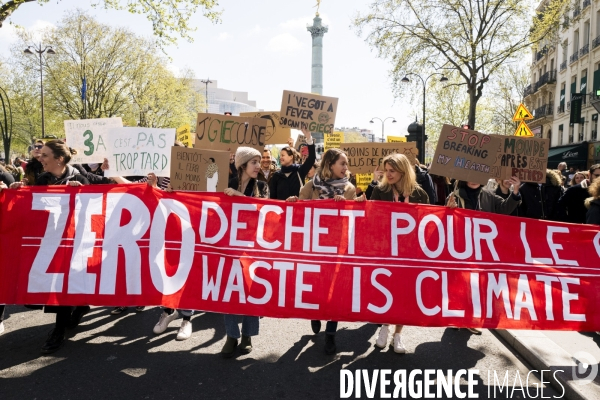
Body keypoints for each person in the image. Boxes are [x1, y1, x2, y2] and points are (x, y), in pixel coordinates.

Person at [9, 140, 91, 353]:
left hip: (74, 242)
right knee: (56, 283)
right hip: (51, 240)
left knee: (64, 283)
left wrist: (81, 192)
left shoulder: (80, 178)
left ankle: (58, 330)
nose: (39, 158)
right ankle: (79, 307)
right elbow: (35, 206)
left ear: (59, 159)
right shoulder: (43, 179)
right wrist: (17, 193)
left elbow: (98, 207)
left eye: (45, 155)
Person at [290, 148, 363, 355]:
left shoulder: (348, 188)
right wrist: (293, 202)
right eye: (342, 164)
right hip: (314, 246)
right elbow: (300, 207)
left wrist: (350, 205)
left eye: (346, 164)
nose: (346, 168)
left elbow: (353, 219)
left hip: (337, 247)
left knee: (335, 292)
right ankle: (315, 313)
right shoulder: (311, 185)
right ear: (330, 164)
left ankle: (330, 334)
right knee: (315, 286)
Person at [370, 154, 429, 354]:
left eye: (392, 170)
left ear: (403, 171)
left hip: (410, 253)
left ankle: (398, 335)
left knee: (404, 295)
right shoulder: (380, 191)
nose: (388, 174)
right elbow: (371, 218)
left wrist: (450, 209)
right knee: (386, 292)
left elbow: (428, 221)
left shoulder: (419, 194)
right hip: (386, 251)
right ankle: (384, 328)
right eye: (386, 170)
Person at [446, 176, 521, 334]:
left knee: (476, 284)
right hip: (461, 247)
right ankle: (456, 316)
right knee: (460, 283)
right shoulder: (454, 196)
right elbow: (444, 222)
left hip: (482, 248)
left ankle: (469, 319)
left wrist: (515, 192)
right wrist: (448, 210)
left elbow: (504, 209)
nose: (473, 179)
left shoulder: (488, 195)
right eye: (470, 175)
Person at [220, 147, 268, 357]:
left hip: (254, 246)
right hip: (229, 245)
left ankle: (247, 336)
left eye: (259, 162)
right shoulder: (227, 184)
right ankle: (232, 336)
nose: (258, 166)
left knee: (251, 291)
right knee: (228, 290)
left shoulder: (262, 186)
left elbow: (266, 210)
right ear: (242, 166)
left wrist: (239, 197)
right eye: (253, 162)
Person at [269, 128, 315, 200]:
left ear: (291, 157)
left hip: (297, 210)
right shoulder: (276, 175)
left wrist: (309, 138)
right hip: (282, 210)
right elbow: (272, 197)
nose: (280, 158)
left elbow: (312, 158)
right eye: (280, 155)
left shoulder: (299, 171)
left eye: (283, 155)